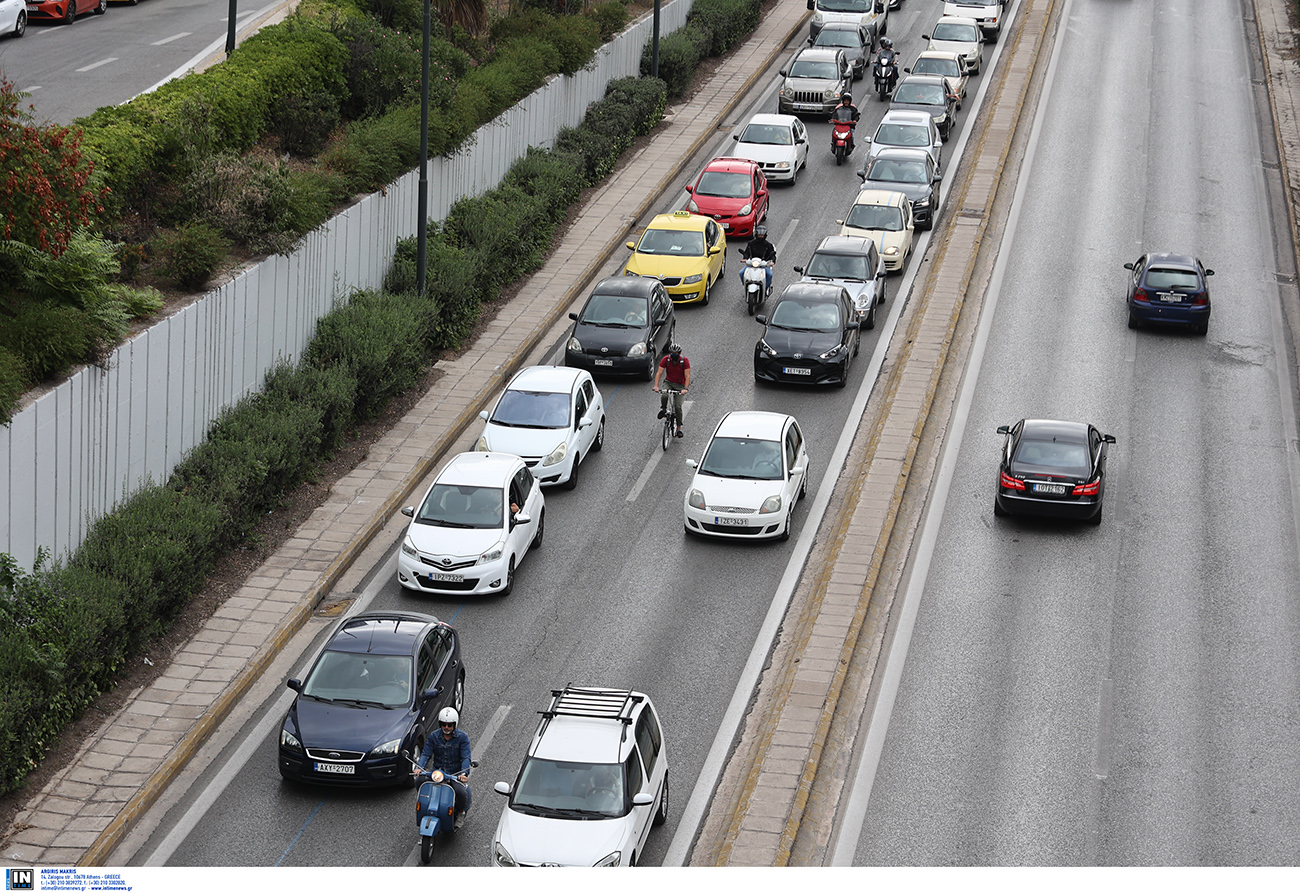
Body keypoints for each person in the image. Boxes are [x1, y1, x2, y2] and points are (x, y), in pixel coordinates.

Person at [415, 706, 473, 828]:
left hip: (454, 774)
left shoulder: (462, 737)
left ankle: (461, 813)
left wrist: (463, 774)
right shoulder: (433, 736)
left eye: (449, 725)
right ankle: (424, 802)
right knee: (419, 780)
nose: (446, 727)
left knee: (461, 792)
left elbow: (465, 757)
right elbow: (426, 754)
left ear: (454, 725)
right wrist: (419, 768)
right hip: (437, 772)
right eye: (444, 724)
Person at [653, 343, 690, 438]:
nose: (674, 355)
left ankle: (678, 429)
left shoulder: (684, 361)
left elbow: (687, 376)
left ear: (679, 353)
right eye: (672, 353)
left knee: (678, 407)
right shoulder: (666, 359)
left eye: (676, 353)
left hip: (680, 385)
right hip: (669, 382)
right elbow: (659, 373)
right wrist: (656, 386)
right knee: (664, 395)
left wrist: (685, 388)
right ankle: (664, 409)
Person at [740, 224, 776, 295]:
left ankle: (766, 288)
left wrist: (772, 262)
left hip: (763, 265)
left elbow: (772, 255)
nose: (760, 237)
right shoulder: (751, 243)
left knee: (769, 274)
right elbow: (746, 252)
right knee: (741, 273)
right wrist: (745, 258)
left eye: (762, 235)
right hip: (752, 264)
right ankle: (746, 285)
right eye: (759, 235)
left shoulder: (768, 245)